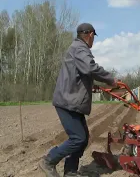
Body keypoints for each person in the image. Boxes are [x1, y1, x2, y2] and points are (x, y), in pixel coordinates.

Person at [39, 23, 117, 177]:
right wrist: (110, 79)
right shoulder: (80, 49)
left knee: (83, 139)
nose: (93, 39)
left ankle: (70, 171)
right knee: (78, 138)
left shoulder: (77, 49)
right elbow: (90, 68)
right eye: (94, 36)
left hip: (71, 101)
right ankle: (48, 161)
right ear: (90, 35)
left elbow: (80, 74)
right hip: (67, 102)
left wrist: (92, 85)